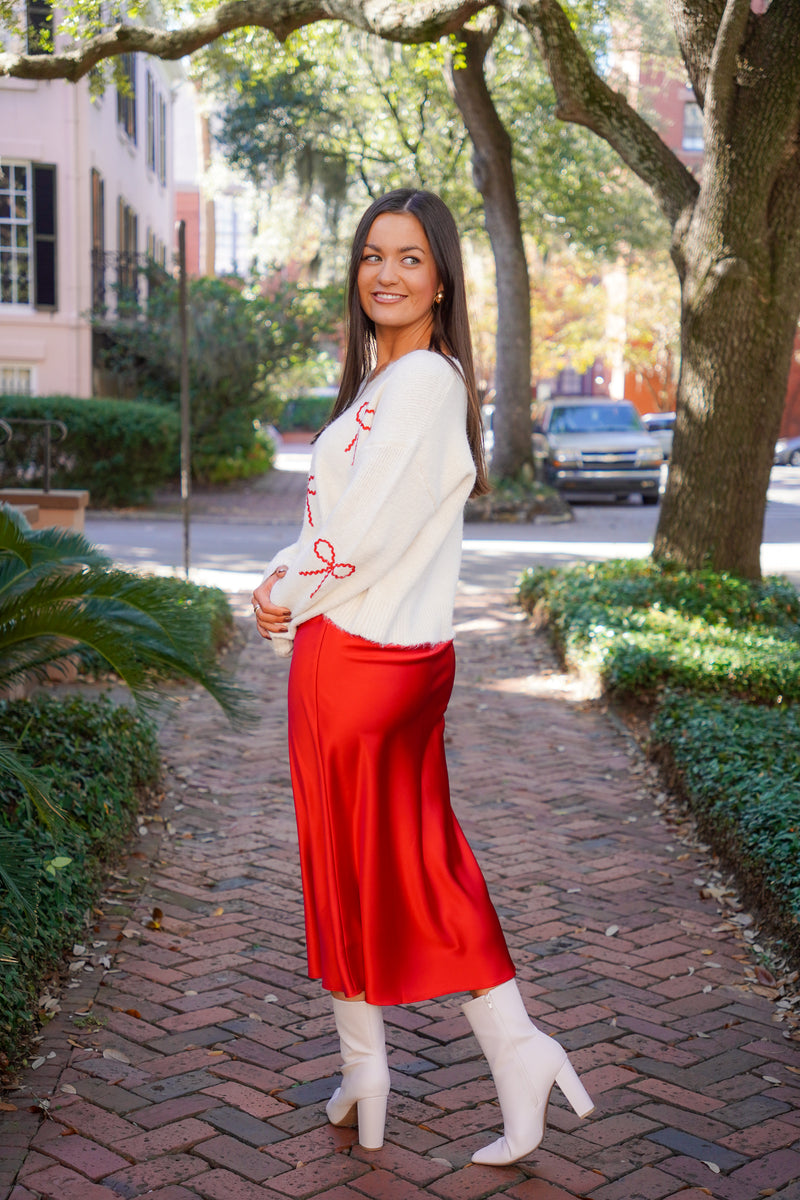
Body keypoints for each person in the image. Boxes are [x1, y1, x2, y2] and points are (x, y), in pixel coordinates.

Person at [252, 188, 593, 1165]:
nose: (385, 274)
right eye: (370, 255)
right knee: (350, 858)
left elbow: (355, 539)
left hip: (371, 660)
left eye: (407, 257)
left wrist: (281, 587)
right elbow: (337, 525)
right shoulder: (384, 382)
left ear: (441, 277)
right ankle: (366, 1068)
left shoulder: (426, 385)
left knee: (406, 862)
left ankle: (513, 1047)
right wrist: (287, 581)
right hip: (351, 651)